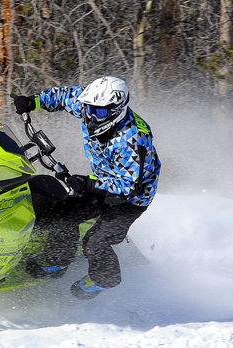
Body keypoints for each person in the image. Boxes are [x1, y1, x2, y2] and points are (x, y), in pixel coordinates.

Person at [12, 76, 161, 299]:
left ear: (116, 110)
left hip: (132, 198)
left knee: (95, 241)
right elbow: (64, 97)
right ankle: (57, 261)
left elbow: (127, 187)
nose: (90, 116)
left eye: (98, 112)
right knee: (63, 213)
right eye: (89, 109)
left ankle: (104, 278)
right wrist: (33, 102)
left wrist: (88, 183)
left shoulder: (132, 139)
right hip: (104, 179)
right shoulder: (92, 106)